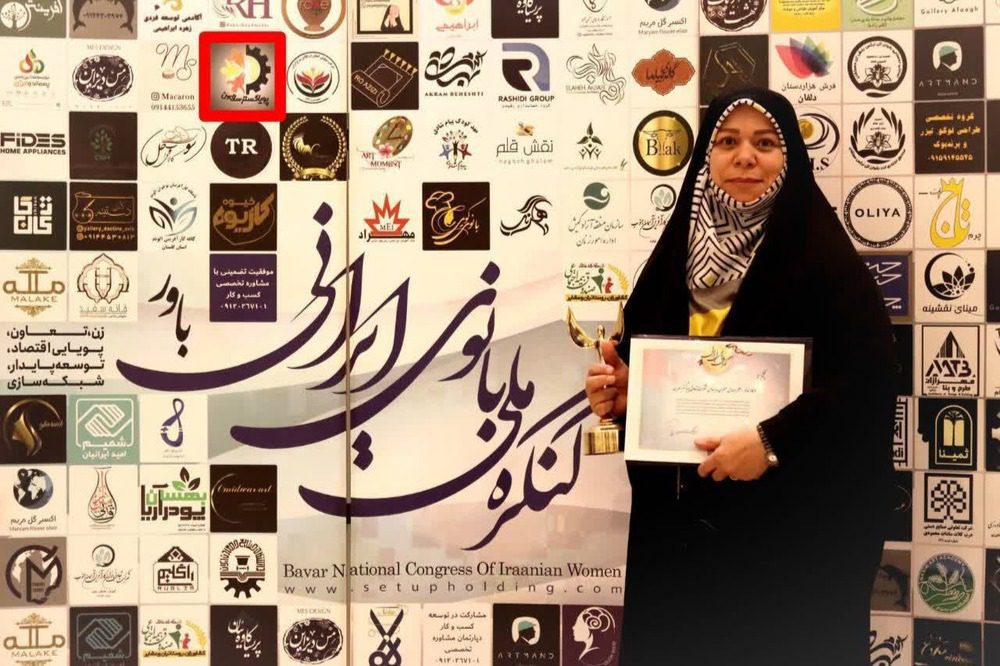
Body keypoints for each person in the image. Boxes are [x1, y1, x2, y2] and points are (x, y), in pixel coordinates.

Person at [584, 88, 896, 665]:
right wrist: (630, 397)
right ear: (707, 157)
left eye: (766, 143)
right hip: (682, 549)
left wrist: (774, 443)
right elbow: (650, 381)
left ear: (789, 159)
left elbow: (866, 385)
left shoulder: (826, 264)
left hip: (788, 548)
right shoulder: (670, 264)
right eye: (727, 141)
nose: (745, 156)